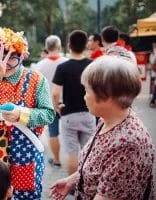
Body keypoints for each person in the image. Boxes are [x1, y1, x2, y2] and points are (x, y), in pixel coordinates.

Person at [0, 27, 55, 199]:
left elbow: (48, 114)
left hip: (26, 151)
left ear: (21, 56)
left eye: (11, 57)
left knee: (25, 195)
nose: (5, 64)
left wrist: (21, 114)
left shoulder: (36, 79)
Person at [50, 55, 155, 200]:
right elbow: (98, 166)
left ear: (107, 95)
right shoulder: (107, 119)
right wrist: (73, 180)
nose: (84, 96)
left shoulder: (127, 144)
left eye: (87, 90)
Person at [52, 30, 96, 176]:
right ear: (85, 45)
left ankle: (72, 188)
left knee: (72, 153)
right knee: (88, 152)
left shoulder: (63, 67)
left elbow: (55, 93)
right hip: (89, 113)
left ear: (69, 45)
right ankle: (87, 185)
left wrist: (57, 107)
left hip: (69, 114)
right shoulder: (92, 65)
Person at [35, 35, 68, 167]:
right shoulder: (66, 62)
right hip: (66, 102)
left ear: (47, 47)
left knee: (53, 132)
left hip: (48, 103)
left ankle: (57, 159)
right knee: (71, 132)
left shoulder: (40, 65)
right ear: (59, 46)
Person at [149, 42, 156, 107]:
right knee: (153, 84)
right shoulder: (152, 54)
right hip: (154, 71)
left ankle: (153, 100)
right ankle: (152, 99)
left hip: (154, 71)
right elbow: (151, 61)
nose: (154, 47)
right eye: (153, 46)